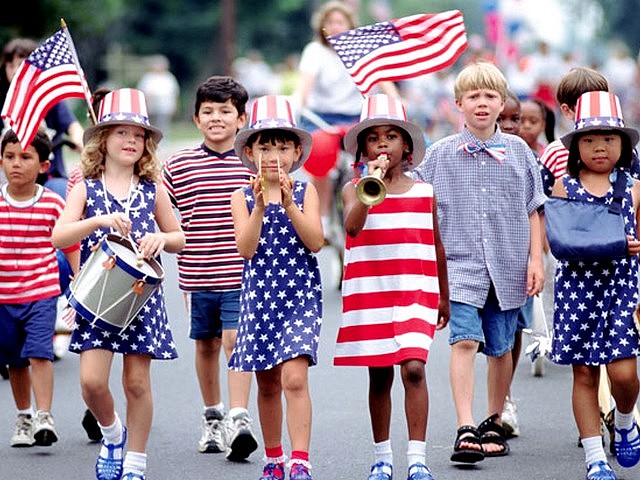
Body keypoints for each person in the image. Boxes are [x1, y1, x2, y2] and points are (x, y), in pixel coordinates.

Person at [411, 61, 546, 463]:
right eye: (474, 97)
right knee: (465, 340)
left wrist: (536, 259)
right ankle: (465, 424)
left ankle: (492, 418)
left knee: (501, 347)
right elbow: (414, 200)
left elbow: (533, 209)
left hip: (508, 265)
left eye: (490, 96)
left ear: (502, 102)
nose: (483, 104)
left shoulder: (519, 151)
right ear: (458, 104)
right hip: (459, 265)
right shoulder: (439, 155)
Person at [51, 88, 185, 480]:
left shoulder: (152, 190)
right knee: (92, 382)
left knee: (137, 383)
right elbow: (60, 237)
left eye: (137, 134)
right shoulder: (86, 188)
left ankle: (135, 462)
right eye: (121, 132)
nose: (130, 141)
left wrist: (161, 239)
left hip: (141, 298)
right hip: (97, 298)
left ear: (146, 145)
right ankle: (112, 433)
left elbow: (179, 238)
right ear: (102, 140)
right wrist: (98, 221)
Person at [333, 94, 450, 480]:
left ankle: (417, 458)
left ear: (407, 147)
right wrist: (373, 183)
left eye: (392, 136)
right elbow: (351, 227)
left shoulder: (424, 192)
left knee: (414, 368)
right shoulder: (356, 189)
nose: (382, 144)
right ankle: (382, 456)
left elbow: (436, 245)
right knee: (380, 374)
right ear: (363, 148)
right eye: (373, 138)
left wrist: (443, 295)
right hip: (373, 293)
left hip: (416, 290)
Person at [162, 75, 259, 461]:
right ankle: (213, 415)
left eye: (225, 111)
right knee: (206, 344)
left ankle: (239, 417)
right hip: (197, 273)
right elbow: (159, 210)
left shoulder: (251, 162)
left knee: (236, 341)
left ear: (241, 119)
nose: (216, 118)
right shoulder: (179, 164)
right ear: (196, 118)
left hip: (242, 273)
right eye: (208, 111)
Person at [229, 94, 324, 480]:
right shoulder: (241, 196)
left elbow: (315, 241)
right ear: (250, 152)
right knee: (267, 383)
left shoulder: (306, 191)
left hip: (299, 295)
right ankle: (273, 458)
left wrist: (288, 205)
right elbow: (245, 248)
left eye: (283, 147)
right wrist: (259, 207)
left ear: (296, 151)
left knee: (294, 378)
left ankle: (300, 460)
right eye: (265, 147)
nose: (273, 156)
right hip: (260, 297)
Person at [549, 90, 640, 480]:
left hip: (623, 288)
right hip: (576, 289)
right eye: (588, 139)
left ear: (623, 143)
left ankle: (624, 420)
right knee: (584, 373)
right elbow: (561, 242)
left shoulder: (635, 188)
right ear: (576, 145)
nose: (599, 147)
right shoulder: (564, 187)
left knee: (623, 373)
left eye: (608, 138)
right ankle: (594, 459)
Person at [0, 129, 79, 448]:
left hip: (41, 292)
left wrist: (76, 277)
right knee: (14, 361)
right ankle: (24, 416)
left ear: (45, 166)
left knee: (39, 354)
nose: (16, 163)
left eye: (25, 157)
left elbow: (69, 240)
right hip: (4, 296)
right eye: (9, 157)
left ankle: (44, 415)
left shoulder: (52, 203)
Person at [295, 0, 398, 242]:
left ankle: (373, 202)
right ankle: (322, 220)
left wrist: (396, 101)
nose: (335, 27)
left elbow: (382, 78)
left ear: (350, 25)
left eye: (340, 22)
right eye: (330, 22)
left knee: (374, 153)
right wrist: (297, 101)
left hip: (355, 116)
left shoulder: (361, 50)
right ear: (322, 27)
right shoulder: (315, 51)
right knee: (320, 160)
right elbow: (304, 86)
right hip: (321, 118)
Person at [0, 38, 84, 198]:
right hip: (7, 179)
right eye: (11, 66)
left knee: (64, 193)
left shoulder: (51, 100)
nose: (16, 71)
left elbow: (74, 127)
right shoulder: (2, 103)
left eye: (23, 66)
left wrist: (81, 143)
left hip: (49, 176)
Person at [136, 54, 180, 139]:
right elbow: (142, 92)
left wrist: (175, 105)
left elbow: (174, 93)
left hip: (165, 105)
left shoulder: (169, 77)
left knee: (163, 124)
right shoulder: (148, 77)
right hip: (151, 105)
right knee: (152, 124)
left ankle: (164, 140)